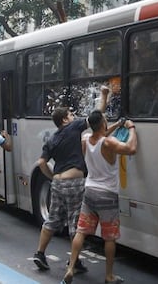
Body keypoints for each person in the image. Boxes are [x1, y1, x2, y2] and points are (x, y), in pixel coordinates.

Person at [32, 87, 113, 272]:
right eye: (70, 114)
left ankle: (40, 253)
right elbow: (97, 115)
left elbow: (41, 162)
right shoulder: (74, 127)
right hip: (74, 183)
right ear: (65, 120)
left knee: (52, 220)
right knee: (75, 222)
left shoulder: (52, 139)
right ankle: (74, 262)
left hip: (58, 183)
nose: (73, 115)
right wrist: (104, 95)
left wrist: (52, 177)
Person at [61, 110, 137, 284]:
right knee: (109, 237)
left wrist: (117, 125)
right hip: (107, 195)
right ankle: (109, 276)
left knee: (81, 231)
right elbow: (131, 149)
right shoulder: (109, 143)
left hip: (90, 192)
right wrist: (131, 128)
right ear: (103, 123)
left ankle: (71, 267)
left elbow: (100, 134)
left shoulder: (85, 139)